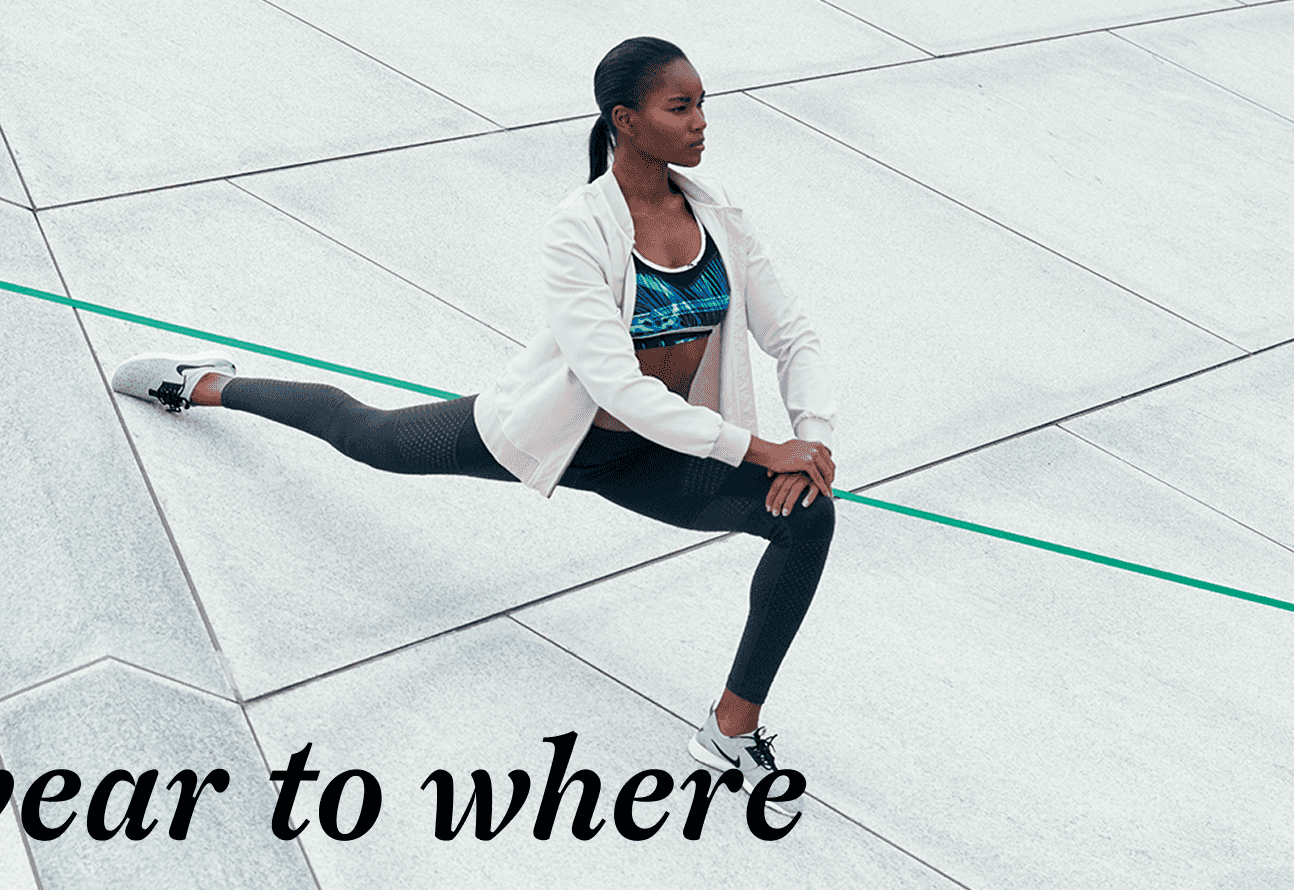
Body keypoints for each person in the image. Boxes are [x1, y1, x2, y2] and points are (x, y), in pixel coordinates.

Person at [110, 36, 838, 783]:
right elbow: (618, 388)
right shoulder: (578, 228)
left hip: (657, 457)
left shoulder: (721, 217)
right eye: (679, 107)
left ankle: (729, 730)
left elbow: (794, 334)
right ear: (625, 119)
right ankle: (203, 384)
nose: (700, 121)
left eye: (701, 104)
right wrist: (759, 448)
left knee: (808, 517)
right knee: (367, 434)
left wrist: (809, 443)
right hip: (554, 433)